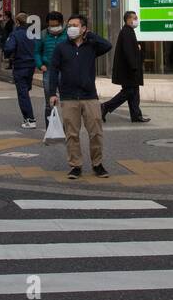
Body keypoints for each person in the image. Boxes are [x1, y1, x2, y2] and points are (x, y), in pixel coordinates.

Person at [48, 15, 113, 179]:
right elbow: (53, 71)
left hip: (89, 96)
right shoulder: (61, 47)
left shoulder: (91, 46)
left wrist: (90, 35)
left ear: (83, 28)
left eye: (75, 25)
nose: (71, 28)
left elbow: (108, 45)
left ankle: (97, 164)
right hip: (68, 97)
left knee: (96, 132)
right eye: (69, 25)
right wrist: (52, 93)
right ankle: (75, 165)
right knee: (72, 134)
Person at [103, 11, 149, 122]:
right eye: (135, 18)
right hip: (129, 70)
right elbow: (128, 52)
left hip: (130, 69)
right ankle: (105, 107)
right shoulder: (126, 32)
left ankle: (136, 115)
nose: (136, 20)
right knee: (128, 92)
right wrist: (134, 67)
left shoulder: (129, 31)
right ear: (128, 19)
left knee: (134, 92)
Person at [2, 13, 38, 129]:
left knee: (23, 94)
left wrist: (8, 54)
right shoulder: (33, 34)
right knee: (26, 90)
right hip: (31, 65)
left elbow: (9, 48)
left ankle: (30, 118)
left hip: (20, 65)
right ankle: (29, 117)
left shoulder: (15, 34)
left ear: (17, 22)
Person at [36, 12, 67, 121]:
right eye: (51, 25)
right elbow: (37, 52)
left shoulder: (68, 34)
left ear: (61, 23)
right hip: (48, 70)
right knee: (49, 102)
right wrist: (40, 65)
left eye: (55, 25)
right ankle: (49, 130)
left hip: (65, 70)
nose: (53, 28)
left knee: (67, 102)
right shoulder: (44, 34)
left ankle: (67, 129)